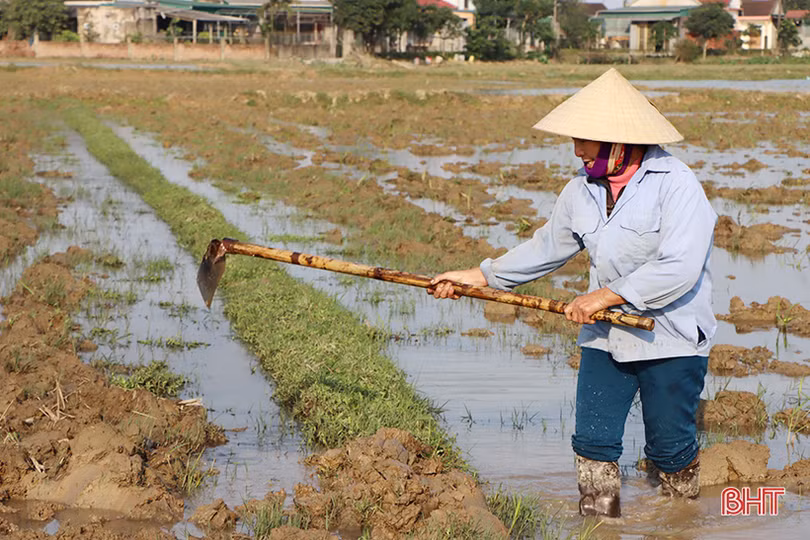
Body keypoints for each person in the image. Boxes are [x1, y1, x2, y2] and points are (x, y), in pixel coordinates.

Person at [429, 68, 716, 518]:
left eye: (587, 140)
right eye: (575, 140)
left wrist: (605, 296)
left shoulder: (676, 184)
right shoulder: (581, 190)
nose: (578, 150)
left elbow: (679, 267)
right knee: (593, 442)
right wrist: (479, 276)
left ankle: (682, 521)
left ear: (622, 140)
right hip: (605, 337)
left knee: (670, 448)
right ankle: (600, 523)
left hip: (670, 336)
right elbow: (545, 248)